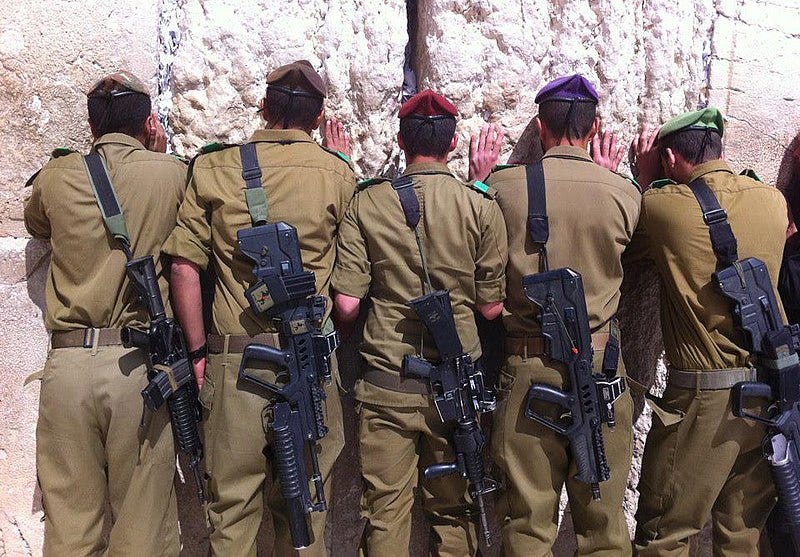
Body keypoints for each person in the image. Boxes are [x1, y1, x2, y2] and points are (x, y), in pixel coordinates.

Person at [162, 60, 354, 556]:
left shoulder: (213, 167)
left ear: (264, 107)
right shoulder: (338, 176)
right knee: (307, 507)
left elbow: (183, 267)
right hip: (309, 364)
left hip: (236, 361)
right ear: (317, 118)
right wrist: (337, 165)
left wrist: (200, 353)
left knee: (232, 512)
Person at [332, 89, 508, 557]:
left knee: (385, 515)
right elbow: (492, 309)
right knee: (454, 514)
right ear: (453, 145)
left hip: (388, 383)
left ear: (400, 141)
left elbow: (347, 305)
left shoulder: (367, 203)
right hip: (458, 389)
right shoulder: (480, 206)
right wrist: (482, 184)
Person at [470, 74, 641, 556]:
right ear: (595, 127)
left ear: (541, 128)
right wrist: (613, 178)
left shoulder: (501, 188)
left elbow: (471, 236)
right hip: (601, 372)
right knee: (604, 525)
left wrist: (478, 180)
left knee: (526, 524)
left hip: (529, 369)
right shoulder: (624, 194)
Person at [24, 70, 186, 556]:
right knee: (142, 529)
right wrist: (155, 156)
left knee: (69, 528)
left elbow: (34, 220)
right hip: (137, 370)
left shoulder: (56, 176)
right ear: (148, 122)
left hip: (68, 368)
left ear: (92, 126)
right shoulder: (172, 173)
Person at [629, 107, 785, 555]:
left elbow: (633, 242)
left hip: (704, 400)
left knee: (667, 533)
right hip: (767, 391)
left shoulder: (662, 206)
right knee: (741, 535)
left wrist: (644, 180)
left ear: (672, 159)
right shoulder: (772, 200)